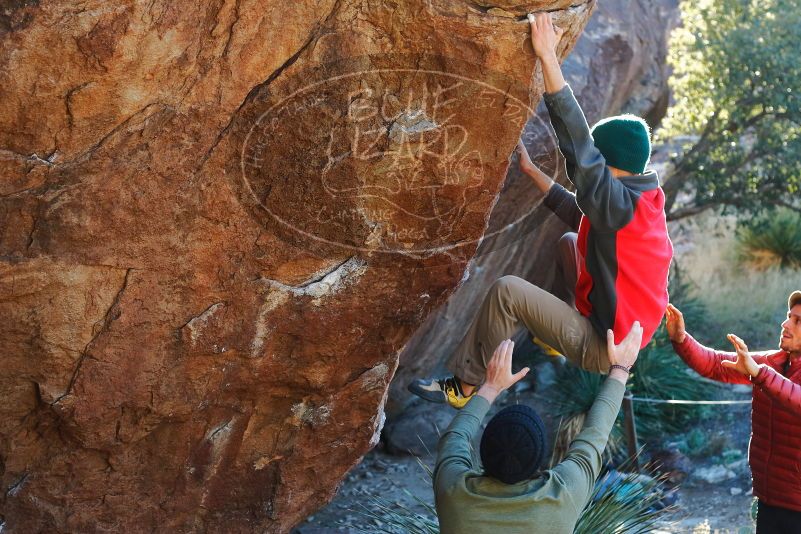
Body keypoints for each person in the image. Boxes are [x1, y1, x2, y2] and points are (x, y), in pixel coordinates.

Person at [408, 12, 673, 408]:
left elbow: (579, 147)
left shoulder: (619, 202)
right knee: (571, 242)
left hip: (606, 347)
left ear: (608, 159)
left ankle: (464, 387)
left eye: (599, 157)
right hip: (620, 331)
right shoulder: (639, 199)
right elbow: (582, 216)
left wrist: (549, 57)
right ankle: (556, 338)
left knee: (507, 291)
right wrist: (533, 174)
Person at [434, 322, 643, 534]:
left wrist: (490, 387)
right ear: (541, 457)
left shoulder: (453, 492)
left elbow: (455, 436)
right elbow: (595, 433)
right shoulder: (562, 495)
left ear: (483, 450)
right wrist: (620, 368)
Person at [666, 291, 801, 533]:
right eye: (788, 316)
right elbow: (716, 364)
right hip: (770, 500)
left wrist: (760, 375)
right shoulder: (771, 363)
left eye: (797, 321)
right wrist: (681, 339)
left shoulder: (763, 370)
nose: (786, 324)